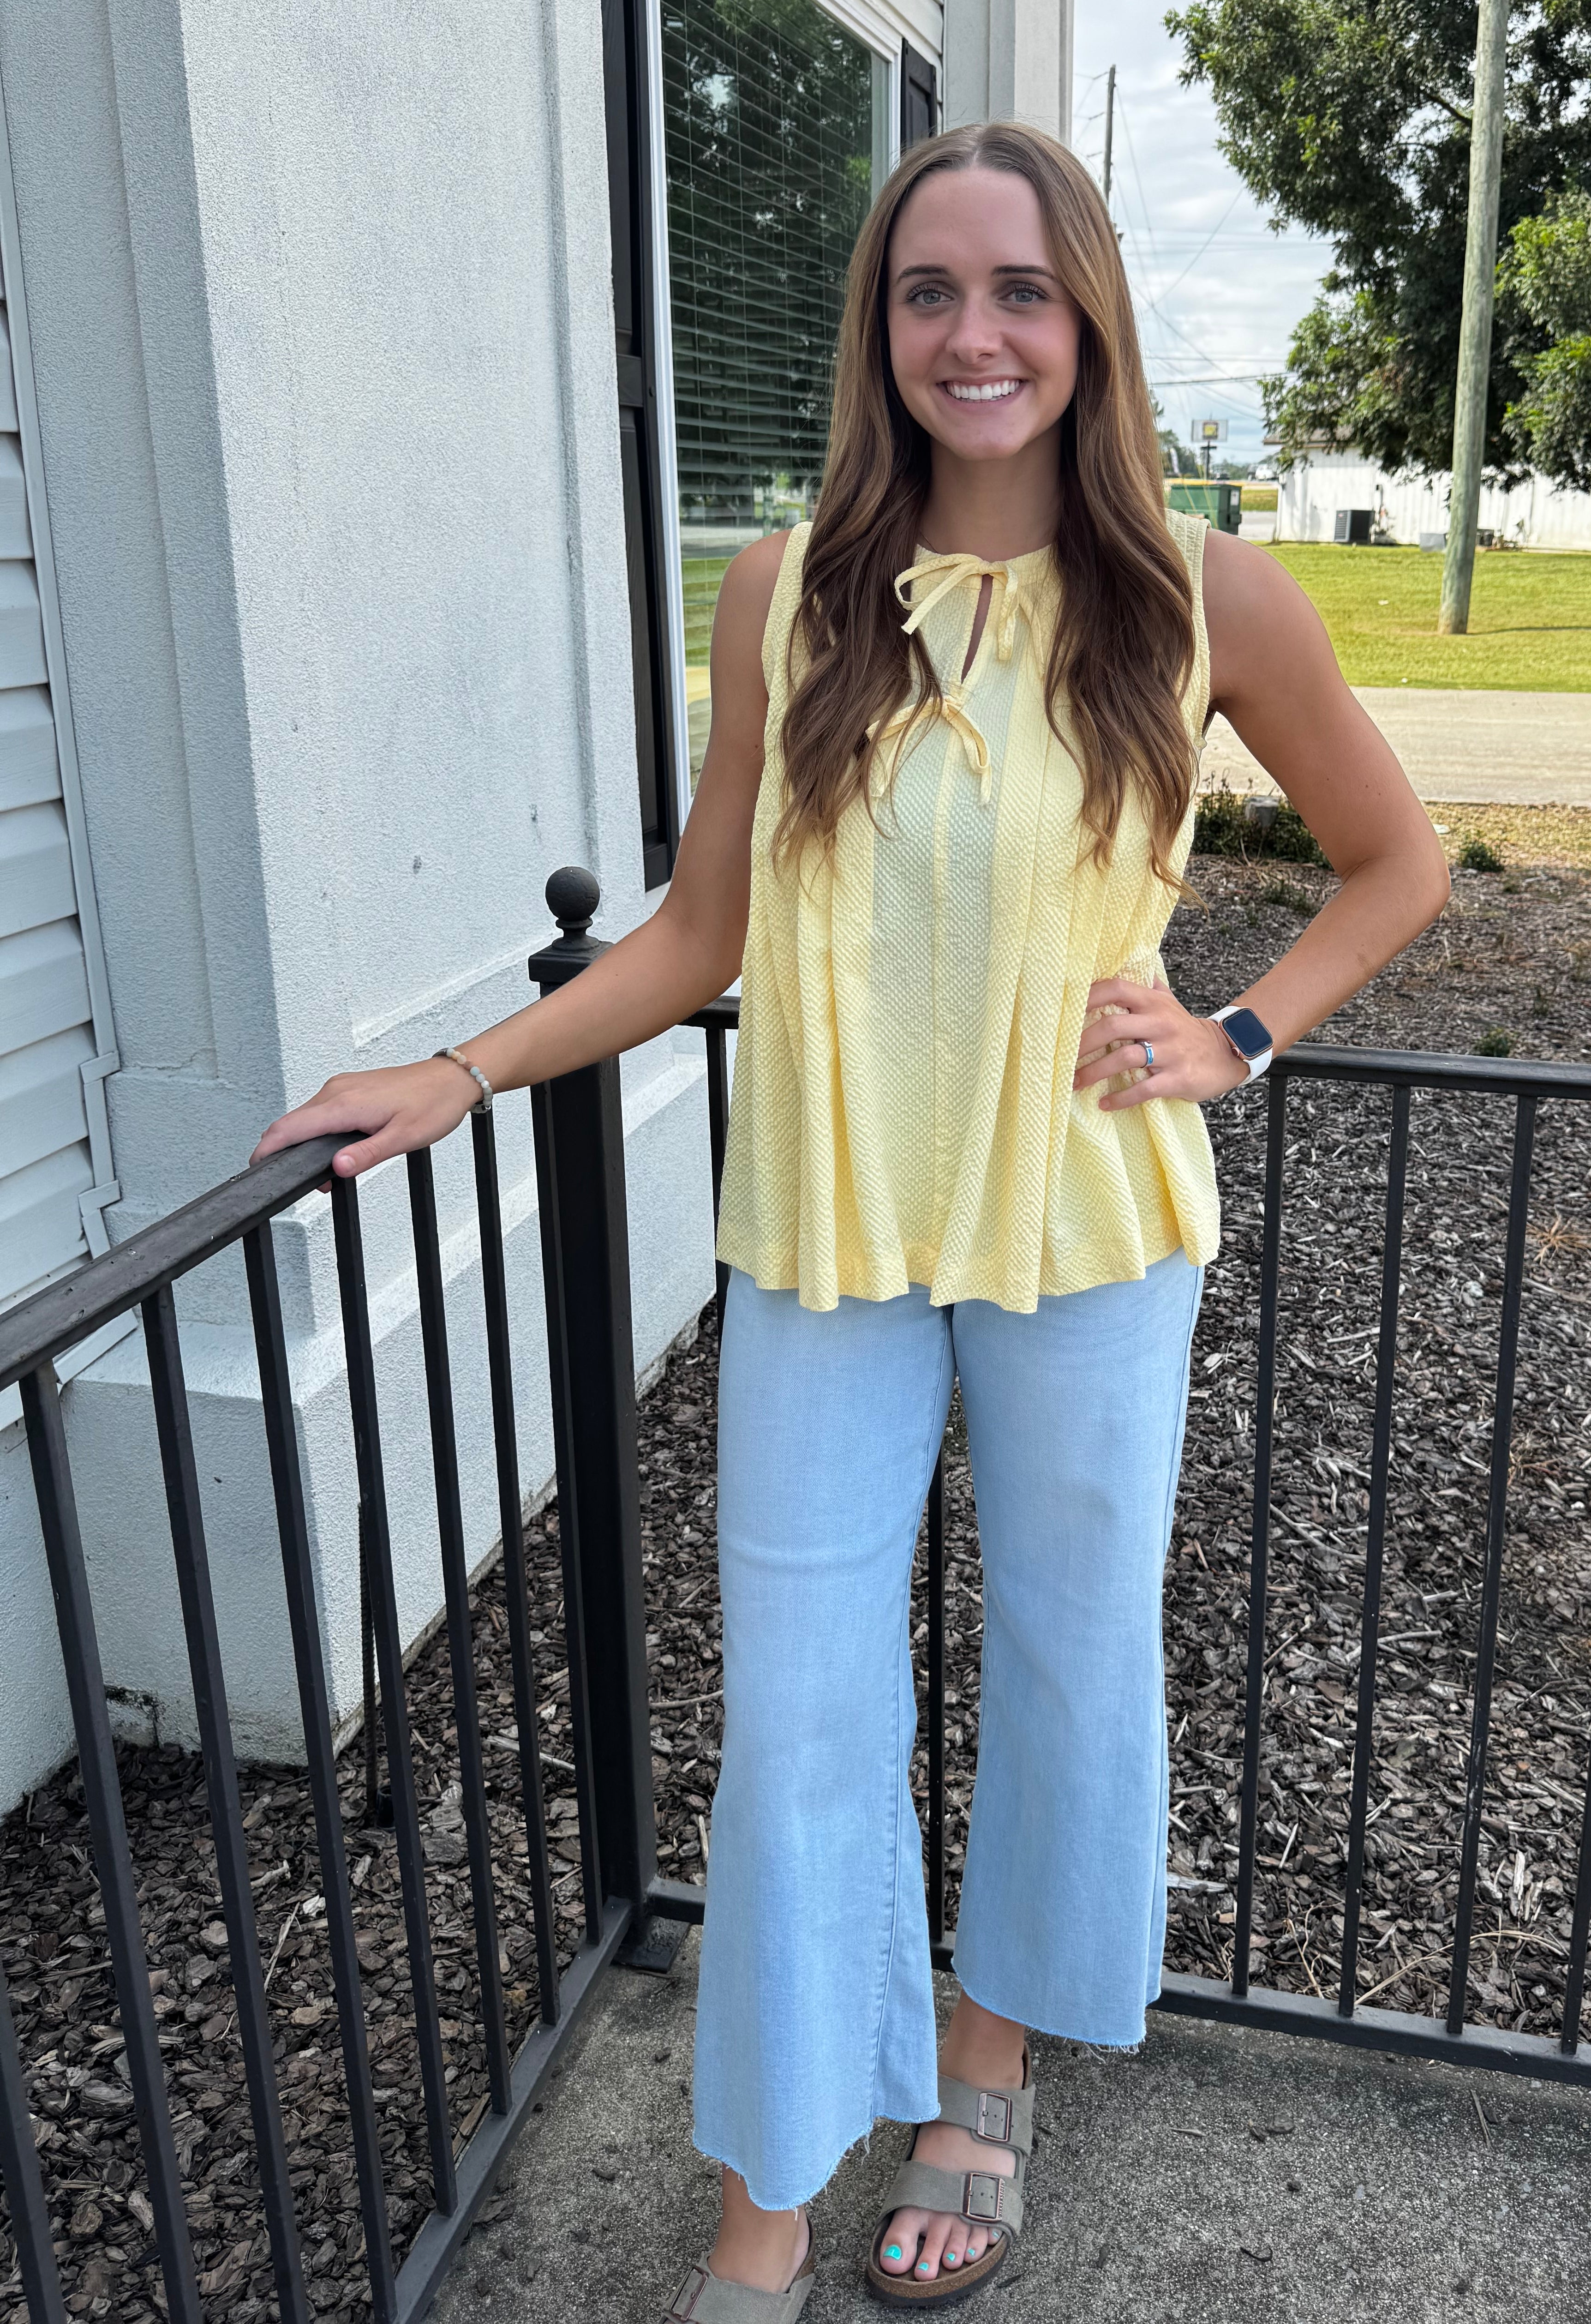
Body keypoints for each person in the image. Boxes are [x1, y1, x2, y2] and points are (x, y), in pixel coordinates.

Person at [254, 120, 1448, 2315]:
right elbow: (703, 931)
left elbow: (1400, 860)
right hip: (825, 1242)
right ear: (879, 331)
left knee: (1071, 1663)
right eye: (928, 293)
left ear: (1085, 320)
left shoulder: (1205, 592)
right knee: (799, 1707)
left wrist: (1235, 1034)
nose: (972, 335)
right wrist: (459, 1070)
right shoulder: (779, 589)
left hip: (1090, 1233)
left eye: (1016, 290)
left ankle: (980, 2077)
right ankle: (771, 2192)